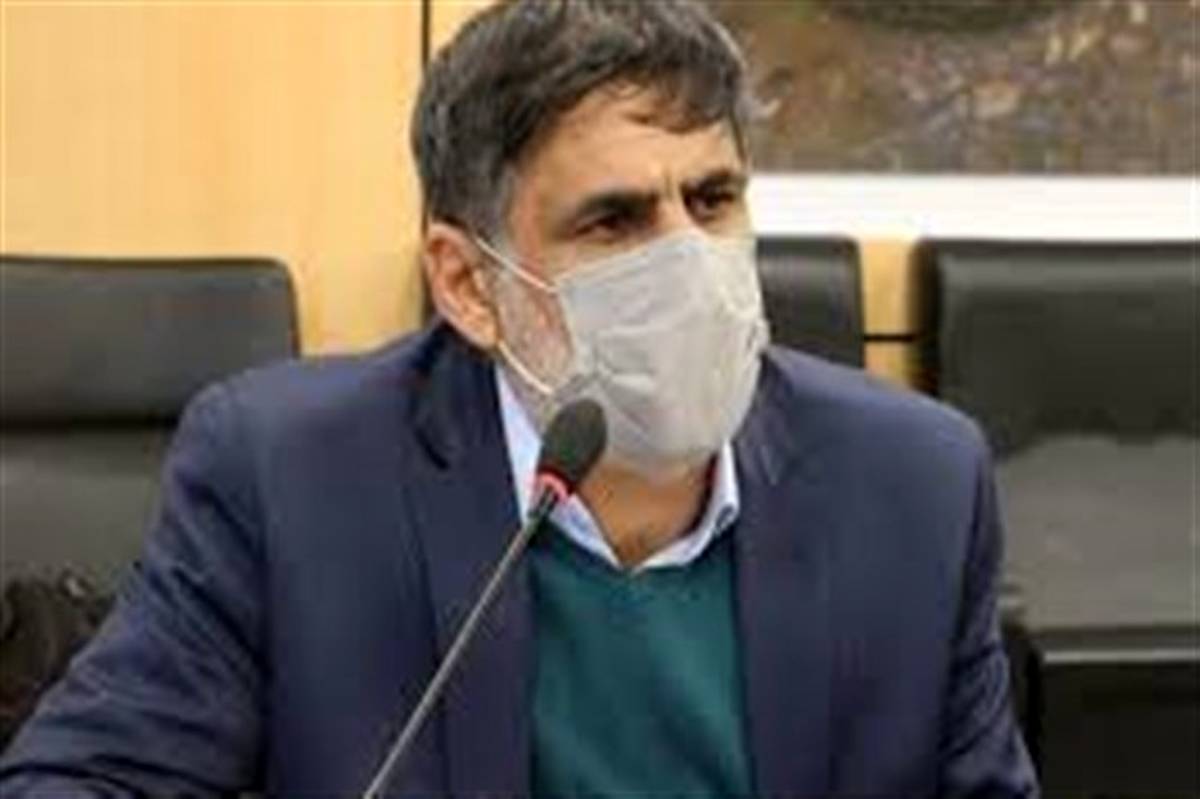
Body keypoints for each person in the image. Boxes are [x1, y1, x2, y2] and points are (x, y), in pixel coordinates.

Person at [0, 0, 1038, 795]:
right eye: (613, 221)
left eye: (712, 199)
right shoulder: (288, 478)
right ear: (467, 284)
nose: (689, 260)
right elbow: (79, 779)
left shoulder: (916, 482)